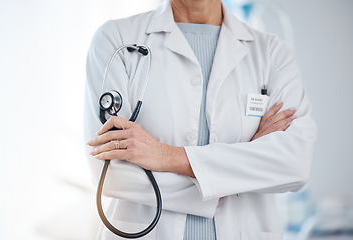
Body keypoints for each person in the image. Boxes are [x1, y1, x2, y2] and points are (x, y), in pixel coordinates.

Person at [84, 0, 317, 239]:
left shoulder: (271, 52)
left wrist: (164, 155)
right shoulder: (116, 39)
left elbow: (294, 163)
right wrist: (239, 173)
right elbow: (110, 173)